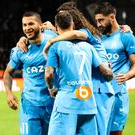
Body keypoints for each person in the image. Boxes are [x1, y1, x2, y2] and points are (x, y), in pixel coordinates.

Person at [42, 3, 116, 135]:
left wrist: (51, 40)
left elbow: (72, 33)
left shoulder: (84, 33)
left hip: (100, 87)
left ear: (73, 20)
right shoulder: (81, 40)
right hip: (92, 89)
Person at [3, 11, 57, 135]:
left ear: (40, 25)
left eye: (31, 24)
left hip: (53, 103)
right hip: (30, 105)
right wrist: (9, 93)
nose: (27, 28)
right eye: (24, 25)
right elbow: (8, 73)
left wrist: (54, 29)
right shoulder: (20, 50)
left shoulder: (54, 41)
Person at [94, 2, 135, 135]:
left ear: (112, 17)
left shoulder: (126, 36)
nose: (98, 24)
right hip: (99, 94)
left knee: (115, 133)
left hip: (118, 95)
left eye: (101, 20)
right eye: (97, 21)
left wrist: (126, 76)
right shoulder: (97, 38)